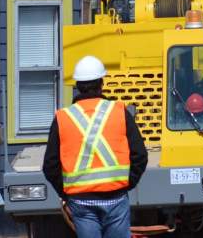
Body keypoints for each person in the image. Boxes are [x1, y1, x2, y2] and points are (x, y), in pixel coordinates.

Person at [43, 55, 148, 238]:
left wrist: (66, 191)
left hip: (81, 201)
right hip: (116, 198)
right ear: (102, 83)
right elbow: (140, 155)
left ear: (77, 86)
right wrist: (126, 183)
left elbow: (50, 165)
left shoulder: (63, 118)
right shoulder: (119, 112)